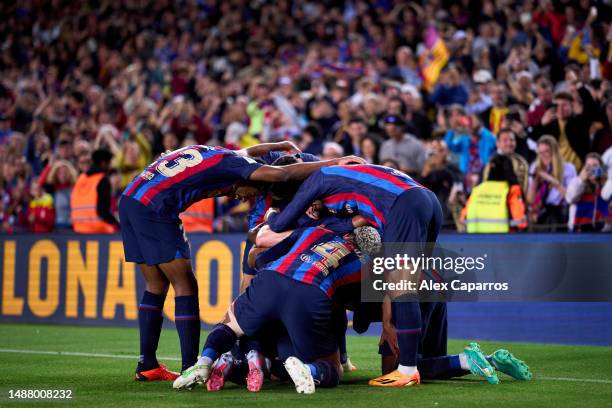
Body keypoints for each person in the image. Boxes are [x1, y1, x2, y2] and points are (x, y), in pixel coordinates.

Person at [119, 141, 363, 381]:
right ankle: (190, 367)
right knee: (186, 285)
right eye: (250, 193)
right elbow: (283, 173)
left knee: (156, 285)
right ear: (250, 177)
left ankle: (147, 364)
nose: (240, 197)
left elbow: (250, 152)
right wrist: (335, 162)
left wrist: (277, 144)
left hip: (130, 198)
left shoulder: (223, 156)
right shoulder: (237, 168)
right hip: (156, 208)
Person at [264, 164, 442, 387]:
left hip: (404, 204)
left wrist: (271, 213)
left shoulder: (316, 180)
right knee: (410, 283)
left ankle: (407, 370)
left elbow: (280, 224)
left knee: (403, 286)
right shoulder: (341, 184)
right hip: (427, 200)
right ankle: (420, 363)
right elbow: (342, 224)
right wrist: (387, 321)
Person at [173, 225, 373, 394]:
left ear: (348, 234)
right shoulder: (364, 264)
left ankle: (205, 360)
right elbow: (361, 320)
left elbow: (264, 257)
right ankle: (308, 370)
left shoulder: (316, 231)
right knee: (332, 368)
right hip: (310, 295)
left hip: (271, 278)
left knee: (230, 323)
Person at [462, 154, 528, 233]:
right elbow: (520, 222)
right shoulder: (512, 190)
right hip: (503, 241)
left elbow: (463, 218)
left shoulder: (477, 190)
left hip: (475, 241)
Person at [527, 135, 577, 230]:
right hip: (540, 213)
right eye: (540, 152)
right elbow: (530, 200)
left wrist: (552, 180)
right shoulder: (535, 167)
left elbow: (571, 198)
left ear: (555, 151)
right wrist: (534, 184)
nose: (543, 156)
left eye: (547, 151)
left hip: (560, 213)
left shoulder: (569, 168)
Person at [71, 149, 119, 234]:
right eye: (109, 163)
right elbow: (103, 212)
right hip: (96, 229)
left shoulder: (81, 178)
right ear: (104, 163)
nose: (110, 166)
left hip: (78, 229)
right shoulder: (103, 180)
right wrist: (117, 222)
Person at [566, 153, 611, 232]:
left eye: (595, 165)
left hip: (601, 232)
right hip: (578, 231)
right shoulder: (576, 182)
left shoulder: (606, 186)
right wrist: (581, 180)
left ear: (601, 168)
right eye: (588, 166)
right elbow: (570, 199)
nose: (592, 169)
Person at [483, 128, 529, 193]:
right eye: (505, 140)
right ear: (497, 143)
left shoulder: (521, 162)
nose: (509, 143)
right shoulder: (491, 162)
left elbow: (524, 188)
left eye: (512, 140)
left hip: (516, 200)